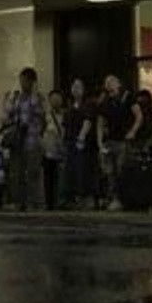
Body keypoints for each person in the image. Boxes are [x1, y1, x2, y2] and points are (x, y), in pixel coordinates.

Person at [4, 67, 46, 210]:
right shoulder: (17, 97)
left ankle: (33, 201)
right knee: (17, 172)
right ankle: (19, 200)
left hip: (32, 139)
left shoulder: (38, 98)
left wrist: (34, 94)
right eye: (21, 80)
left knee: (32, 172)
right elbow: (9, 113)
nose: (22, 84)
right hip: (18, 139)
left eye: (25, 81)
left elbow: (40, 113)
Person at [97, 75, 140, 210]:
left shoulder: (127, 97)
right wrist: (100, 142)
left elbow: (139, 116)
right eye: (107, 83)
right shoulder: (105, 101)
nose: (109, 85)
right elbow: (100, 122)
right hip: (109, 140)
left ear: (118, 84)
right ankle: (112, 197)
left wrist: (133, 131)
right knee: (109, 172)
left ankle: (122, 198)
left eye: (112, 82)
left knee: (121, 169)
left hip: (123, 140)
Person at [61, 79, 97, 208]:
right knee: (70, 170)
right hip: (70, 141)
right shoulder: (70, 107)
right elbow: (65, 125)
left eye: (78, 86)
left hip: (82, 143)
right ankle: (72, 197)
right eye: (74, 86)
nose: (75, 89)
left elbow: (88, 121)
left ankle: (84, 197)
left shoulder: (88, 105)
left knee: (82, 169)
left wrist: (81, 137)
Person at [42, 89, 66, 209]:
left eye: (58, 99)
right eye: (53, 99)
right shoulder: (45, 115)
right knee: (48, 177)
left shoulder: (65, 115)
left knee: (60, 177)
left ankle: (60, 201)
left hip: (61, 149)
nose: (56, 101)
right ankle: (49, 202)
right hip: (48, 149)